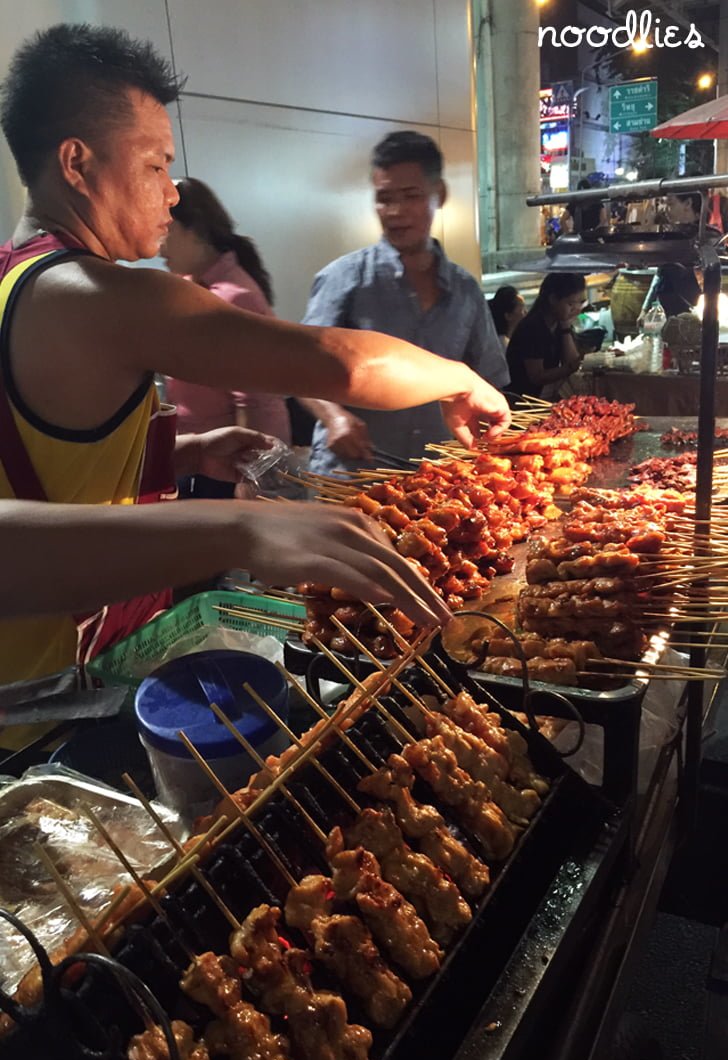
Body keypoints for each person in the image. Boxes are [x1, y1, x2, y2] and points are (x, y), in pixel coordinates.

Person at [0, 23, 510, 688]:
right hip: (52, 692)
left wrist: (182, 452)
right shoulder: (96, 292)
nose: (173, 191)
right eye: (155, 164)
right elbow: (342, 365)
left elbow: (38, 466)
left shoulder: (16, 277)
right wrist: (457, 375)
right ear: (77, 163)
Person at [298, 130, 510, 475]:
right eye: (384, 198)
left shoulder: (466, 290)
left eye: (410, 196)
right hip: (352, 476)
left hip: (434, 477)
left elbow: (489, 377)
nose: (395, 212)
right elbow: (299, 370)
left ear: (438, 195)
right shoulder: (344, 279)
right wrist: (334, 417)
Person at [161, 176, 291, 499]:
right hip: (196, 457)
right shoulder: (195, 286)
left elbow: (254, 401)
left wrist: (246, 483)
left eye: (166, 230)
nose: (158, 244)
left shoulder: (232, 297)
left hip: (221, 468)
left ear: (194, 230)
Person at [506, 273, 586, 399]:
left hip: (543, 396)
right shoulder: (533, 327)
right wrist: (571, 367)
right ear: (553, 299)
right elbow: (537, 376)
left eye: (580, 303)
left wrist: (565, 326)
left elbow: (570, 361)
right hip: (523, 401)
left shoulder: (559, 323)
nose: (576, 309)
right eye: (570, 304)